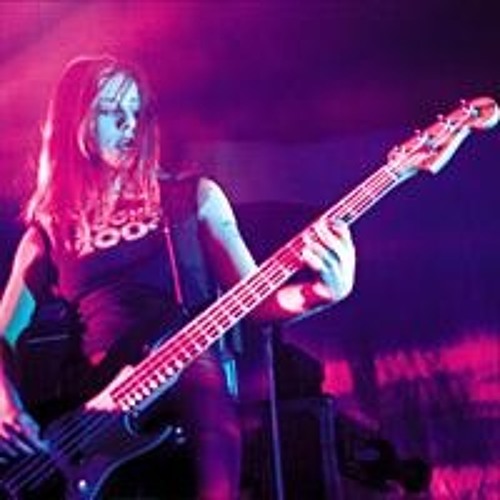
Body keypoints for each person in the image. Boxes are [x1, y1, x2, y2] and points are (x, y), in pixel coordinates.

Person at [0, 54, 356, 499]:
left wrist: (322, 292)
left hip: (191, 374)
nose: (129, 125)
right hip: (94, 408)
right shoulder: (50, 231)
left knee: (202, 390)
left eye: (136, 112)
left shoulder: (193, 198)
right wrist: (6, 407)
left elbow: (256, 301)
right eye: (111, 111)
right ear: (76, 123)